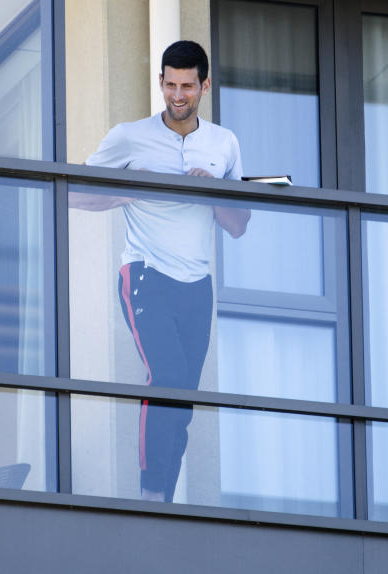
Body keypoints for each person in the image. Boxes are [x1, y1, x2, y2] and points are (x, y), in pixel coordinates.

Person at [70, 40, 250, 503]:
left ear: (204, 86)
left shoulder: (223, 143)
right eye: (170, 84)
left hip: (198, 284)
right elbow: (73, 193)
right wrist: (128, 191)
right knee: (166, 375)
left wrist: (214, 193)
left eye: (187, 86)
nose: (177, 95)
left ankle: (164, 497)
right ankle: (151, 495)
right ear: (161, 83)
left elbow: (239, 226)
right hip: (146, 273)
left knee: (184, 398)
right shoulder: (129, 137)